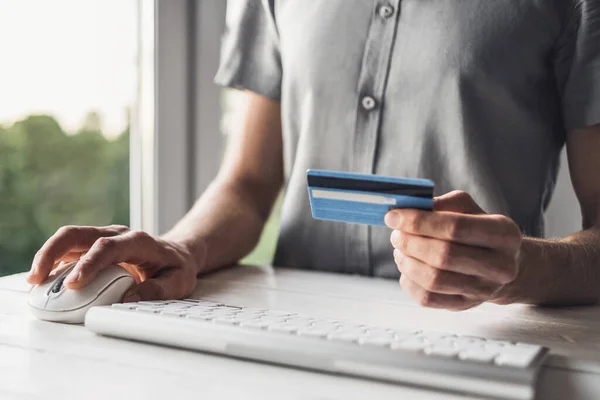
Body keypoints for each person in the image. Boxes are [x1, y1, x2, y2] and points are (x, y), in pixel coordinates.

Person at [27, 1, 600, 311]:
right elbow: (249, 184)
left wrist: (519, 268)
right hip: (293, 327)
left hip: (482, 341)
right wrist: (182, 248)